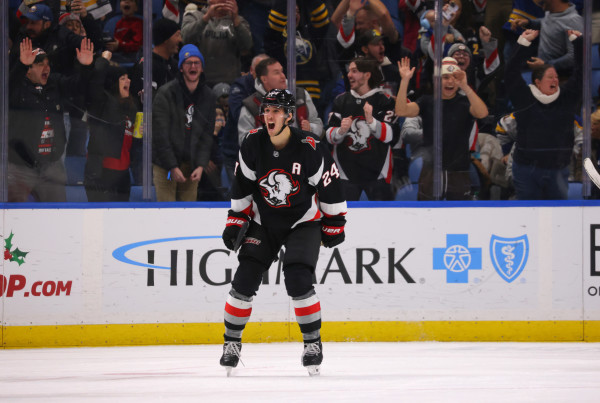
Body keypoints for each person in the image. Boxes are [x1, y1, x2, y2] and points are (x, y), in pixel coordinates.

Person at [219, 89, 347, 376]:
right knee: (244, 279)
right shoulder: (252, 143)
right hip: (264, 222)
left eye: (276, 110)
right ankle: (231, 343)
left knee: (299, 278)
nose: (269, 115)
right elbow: (242, 186)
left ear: (289, 116)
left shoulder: (310, 147)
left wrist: (335, 221)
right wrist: (236, 220)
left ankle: (312, 344)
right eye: (267, 110)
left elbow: (330, 185)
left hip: (302, 221)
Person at [8, 37, 94, 202]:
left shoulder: (54, 83)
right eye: (40, 64)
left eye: (47, 64)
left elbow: (78, 86)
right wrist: (21, 65)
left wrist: (85, 67)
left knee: (58, 213)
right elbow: (7, 88)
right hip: (20, 167)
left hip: (51, 166)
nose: (46, 68)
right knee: (13, 213)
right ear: (28, 70)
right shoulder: (16, 88)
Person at [395, 56, 489, 200]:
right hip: (430, 170)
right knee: (427, 211)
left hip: (459, 171)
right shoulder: (426, 101)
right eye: (445, 77)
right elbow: (401, 111)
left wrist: (465, 87)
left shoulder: (465, 103)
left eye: (454, 77)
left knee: (458, 212)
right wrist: (404, 81)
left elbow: (483, 113)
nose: (450, 81)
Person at [503, 29, 582, 200]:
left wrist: (578, 44)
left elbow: (581, 74)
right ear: (537, 82)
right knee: (528, 211)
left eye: (556, 77)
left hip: (558, 170)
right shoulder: (524, 98)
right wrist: (523, 43)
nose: (555, 80)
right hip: (526, 170)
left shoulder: (566, 98)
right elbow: (510, 73)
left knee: (558, 213)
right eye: (550, 77)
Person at [325, 57, 400, 201]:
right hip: (345, 174)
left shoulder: (385, 100)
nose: (349, 75)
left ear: (367, 75)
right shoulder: (341, 100)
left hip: (378, 174)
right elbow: (328, 136)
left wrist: (371, 121)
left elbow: (391, 136)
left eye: (354, 71)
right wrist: (341, 131)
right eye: (349, 71)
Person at [152, 44, 216, 202]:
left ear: (202, 68)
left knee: (188, 212)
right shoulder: (165, 93)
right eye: (188, 63)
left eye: (197, 63)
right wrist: (172, 166)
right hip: (166, 165)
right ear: (181, 68)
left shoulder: (209, 96)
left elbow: (207, 136)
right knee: (167, 212)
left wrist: (201, 165)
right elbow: (160, 136)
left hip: (191, 165)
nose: (193, 66)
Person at [84, 51, 139, 202]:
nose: (128, 81)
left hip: (123, 174)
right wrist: (103, 60)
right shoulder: (101, 103)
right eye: (123, 78)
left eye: (128, 77)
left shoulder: (131, 105)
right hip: (101, 173)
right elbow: (95, 83)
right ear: (114, 83)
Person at [237, 57, 324, 144]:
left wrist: (311, 128)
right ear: (264, 79)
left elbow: (318, 125)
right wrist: (263, 135)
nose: (282, 76)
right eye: (276, 73)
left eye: (282, 71)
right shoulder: (252, 105)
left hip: (301, 151)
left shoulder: (300, 95)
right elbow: (243, 141)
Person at [221, 54, 268, 188]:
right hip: (235, 151)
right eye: (259, 69)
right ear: (251, 70)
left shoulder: (274, 88)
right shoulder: (240, 86)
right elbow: (238, 114)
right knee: (238, 192)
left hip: (260, 155)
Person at [182, 0, 253, 87]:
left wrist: (236, 21)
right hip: (198, 81)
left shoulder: (239, 21)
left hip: (228, 83)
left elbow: (247, 46)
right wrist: (206, 18)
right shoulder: (194, 16)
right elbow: (186, 40)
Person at [130, 17, 182, 101]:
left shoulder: (175, 65)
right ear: (165, 38)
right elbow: (141, 101)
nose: (180, 39)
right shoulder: (146, 66)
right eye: (177, 35)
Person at [104, 0, 143, 64]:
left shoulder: (139, 23)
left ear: (136, 8)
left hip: (131, 58)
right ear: (120, 7)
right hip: (116, 56)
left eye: (131, 0)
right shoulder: (118, 23)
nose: (127, 1)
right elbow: (117, 41)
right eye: (123, 0)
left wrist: (119, 45)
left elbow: (138, 46)